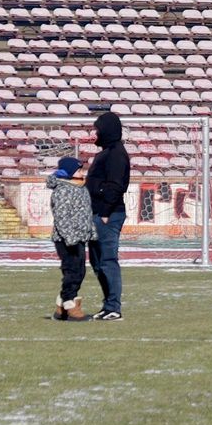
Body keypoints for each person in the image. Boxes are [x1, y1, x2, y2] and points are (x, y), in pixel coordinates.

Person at [86, 111, 131, 321]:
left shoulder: (116, 154)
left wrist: (105, 212)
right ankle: (108, 305)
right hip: (97, 213)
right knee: (97, 263)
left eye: (97, 129)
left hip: (108, 215)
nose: (95, 133)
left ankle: (114, 307)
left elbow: (116, 186)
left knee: (107, 261)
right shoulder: (107, 152)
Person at [48, 156, 95, 321]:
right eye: (78, 170)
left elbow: (86, 213)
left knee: (79, 271)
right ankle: (69, 303)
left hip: (79, 236)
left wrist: (91, 231)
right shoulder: (62, 190)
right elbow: (61, 217)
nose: (82, 173)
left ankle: (61, 307)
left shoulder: (80, 188)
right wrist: (70, 237)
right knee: (72, 271)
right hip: (66, 238)